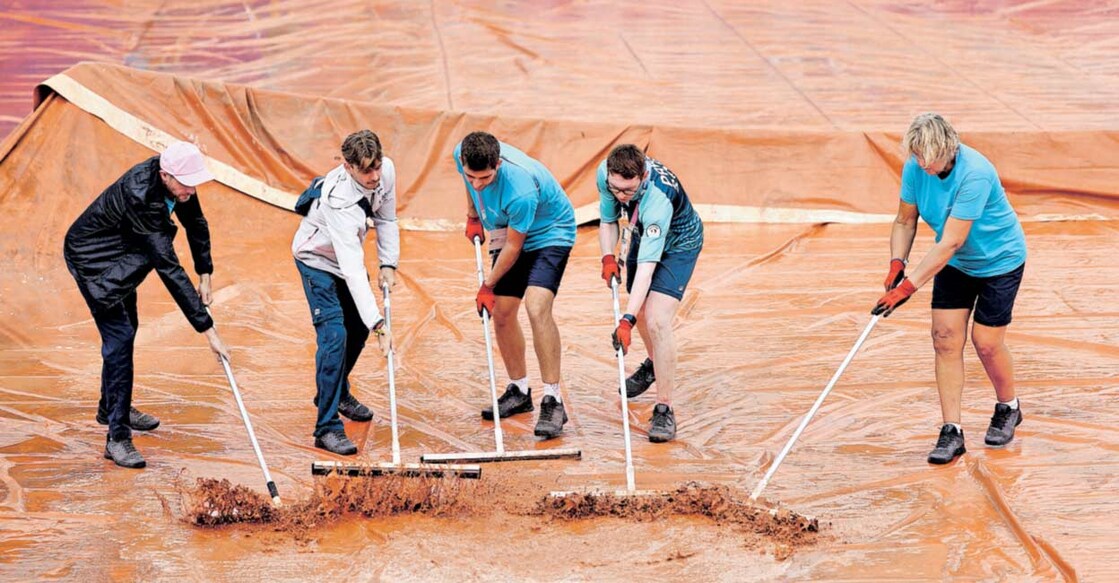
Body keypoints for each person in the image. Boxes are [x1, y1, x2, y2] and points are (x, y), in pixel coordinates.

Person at [64, 141, 231, 469]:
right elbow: (168, 267)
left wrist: (205, 273)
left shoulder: (177, 184)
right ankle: (117, 437)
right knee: (120, 337)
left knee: (130, 328)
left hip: (124, 250)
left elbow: (196, 224)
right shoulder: (142, 196)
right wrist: (208, 330)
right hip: (93, 258)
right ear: (165, 175)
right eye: (186, 183)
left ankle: (111, 407)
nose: (191, 190)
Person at [873, 113, 1027, 465]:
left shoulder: (975, 172)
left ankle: (1008, 407)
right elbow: (904, 220)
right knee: (944, 338)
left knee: (986, 343)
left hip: (998, 262)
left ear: (949, 148)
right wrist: (897, 261)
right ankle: (951, 431)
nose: (923, 163)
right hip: (955, 265)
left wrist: (907, 288)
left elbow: (952, 241)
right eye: (917, 155)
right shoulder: (916, 167)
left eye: (928, 156)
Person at [453, 131, 577, 439]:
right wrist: (472, 214)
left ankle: (553, 399)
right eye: (472, 177)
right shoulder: (462, 154)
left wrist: (487, 285)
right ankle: (519, 391)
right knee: (504, 313)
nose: (477, 184)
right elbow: (469, 183)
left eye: (485, 178)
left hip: (549, 233)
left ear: (498, 163)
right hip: (507, 227)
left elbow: (513, 247)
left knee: (537, 307)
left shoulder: (520, 190)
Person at [292, 129, 397, 455]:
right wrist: (380, 325)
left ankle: (336, 391)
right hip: (318, 261)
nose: (375, 176)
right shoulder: (338, 201)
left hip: (344, 257)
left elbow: (386, 217)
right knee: (334, 335)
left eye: (377, 166)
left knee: (357, 331)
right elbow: (352, 269)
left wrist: (388, 263)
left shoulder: (386, 172)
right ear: (348, 167)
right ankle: (326, 427)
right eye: (366, 170)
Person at [598, 145, 704, 443]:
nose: (621, 196)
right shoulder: (606, 175)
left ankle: (664, 408)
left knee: (655, 319)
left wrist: (626, 320)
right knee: (642, 312)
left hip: (678, 244)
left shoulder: (657, 201)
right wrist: (607, 256)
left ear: (643, 177)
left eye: (629, 191)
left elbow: (647, 266)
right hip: (642, 232)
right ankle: (655, 362)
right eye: (616, 189)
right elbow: (608, 220)